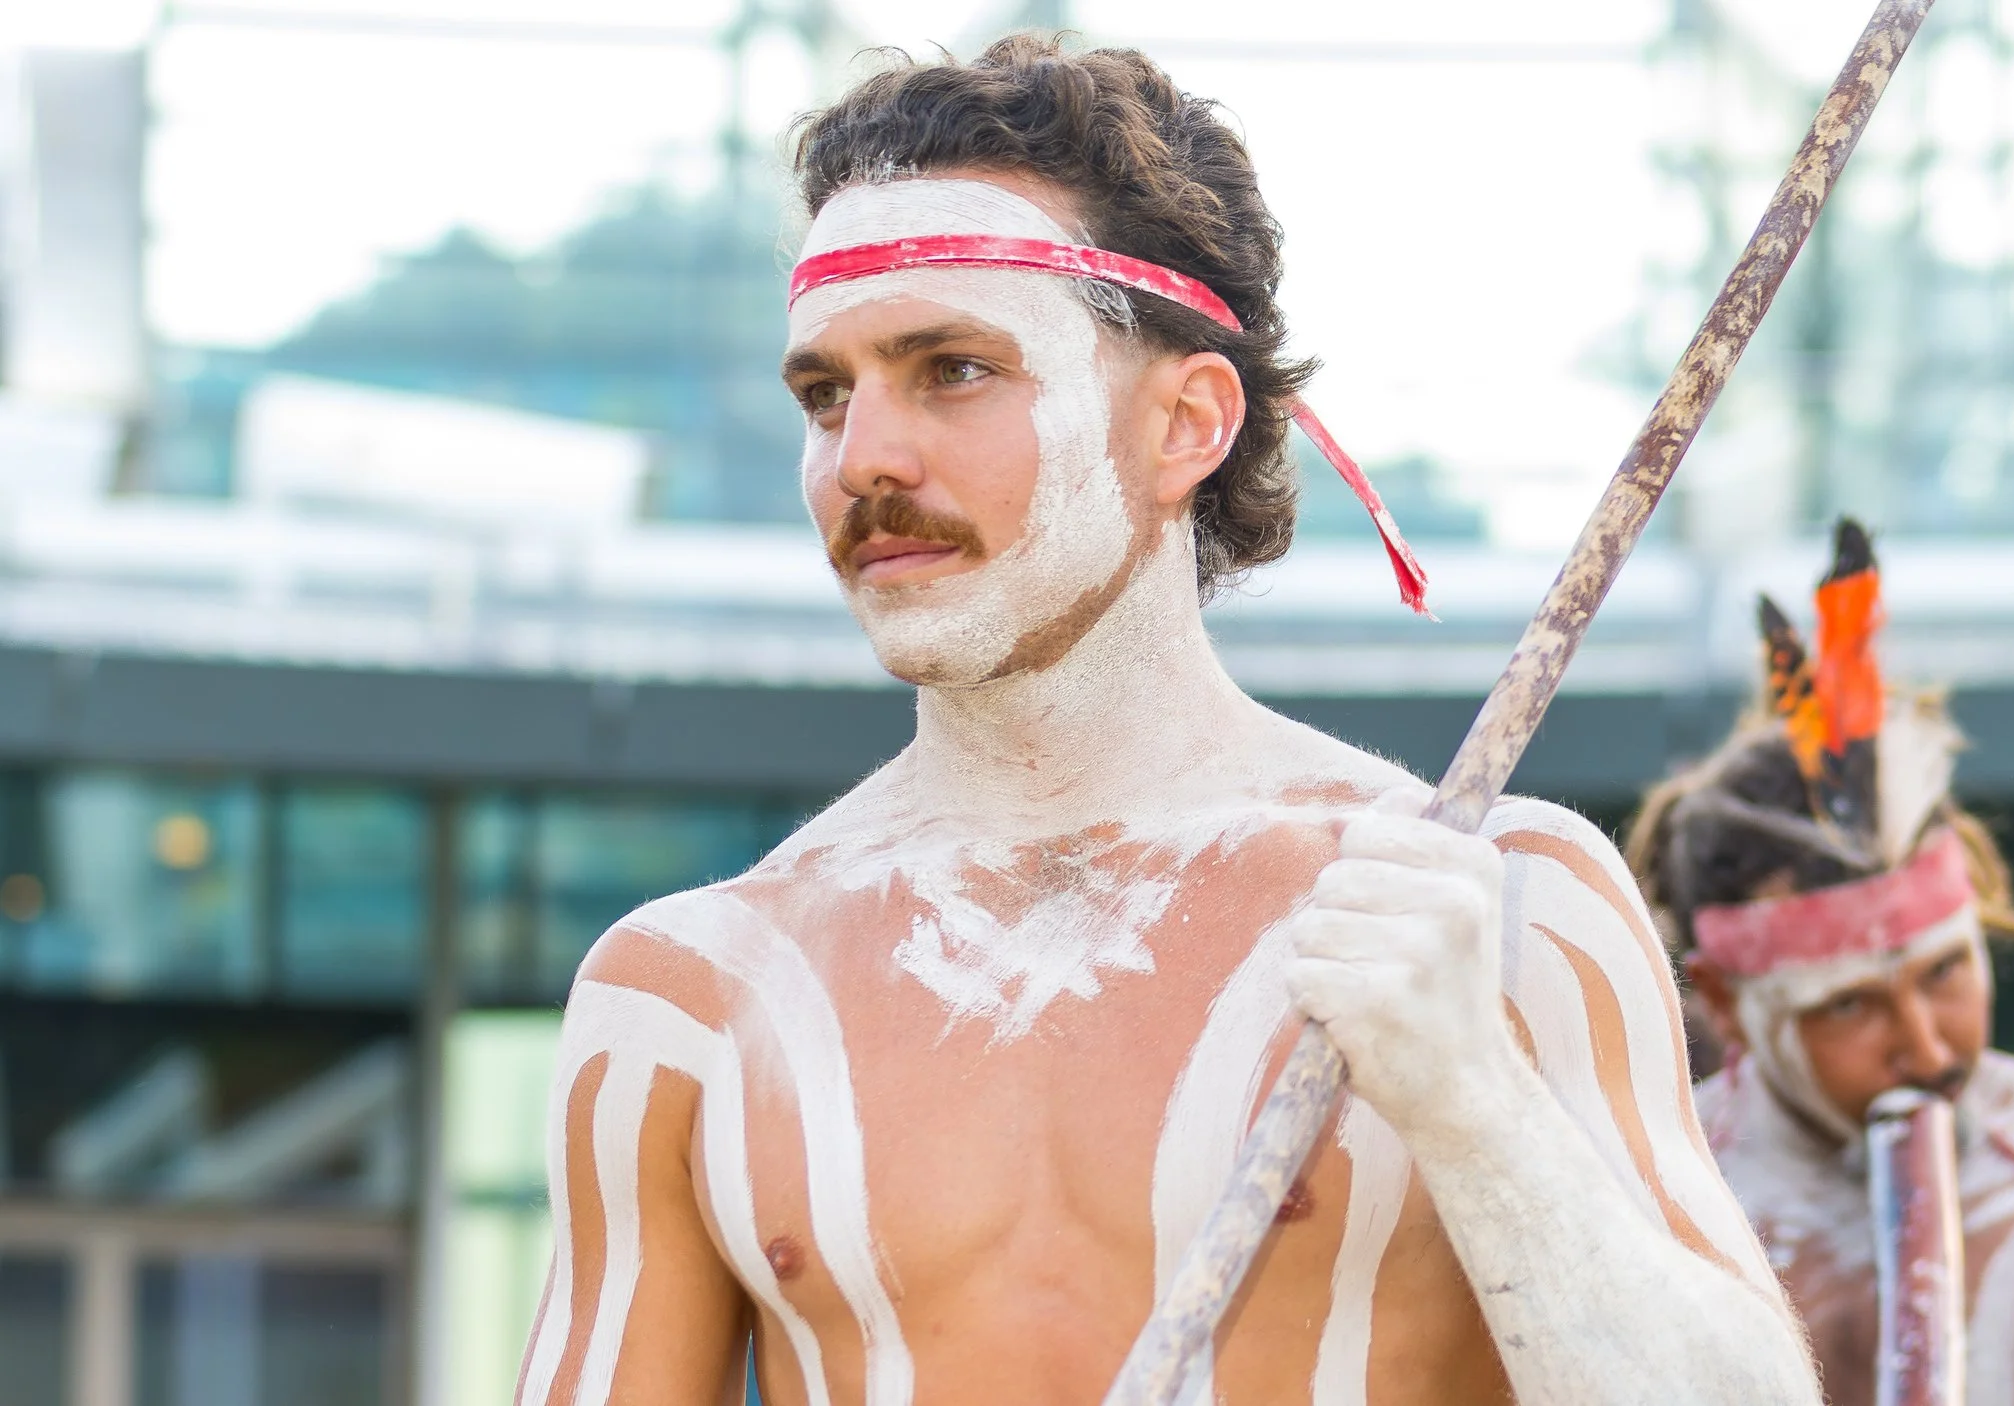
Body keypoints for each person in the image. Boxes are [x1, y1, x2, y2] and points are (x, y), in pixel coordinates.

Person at [516, 36, 1815, 1406]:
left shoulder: (1495, 906)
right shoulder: (684, 999)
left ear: (1186, 421)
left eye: (952, 369)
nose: (863, 460)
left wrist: (1472, 1094)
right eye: (826, 393)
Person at [1622, 520, 2014, 1406]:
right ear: (1731, 1004)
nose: (1926, 1049)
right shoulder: (1637, 1202)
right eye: (1849, 1006)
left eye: (1946, 974)